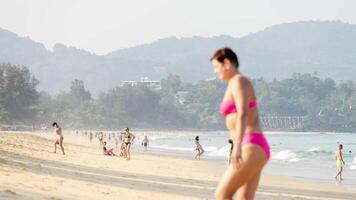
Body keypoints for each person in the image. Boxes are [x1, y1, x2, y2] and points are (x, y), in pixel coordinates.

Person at [211, 47, 270, 200]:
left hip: (251, 145)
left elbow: (243, 113)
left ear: (227, 63)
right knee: (244, 198)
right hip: (252, 145)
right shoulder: (234, 83)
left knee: (222, 194)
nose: (215, 71)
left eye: (216, 67)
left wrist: (237, 148)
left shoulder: (239, 81)